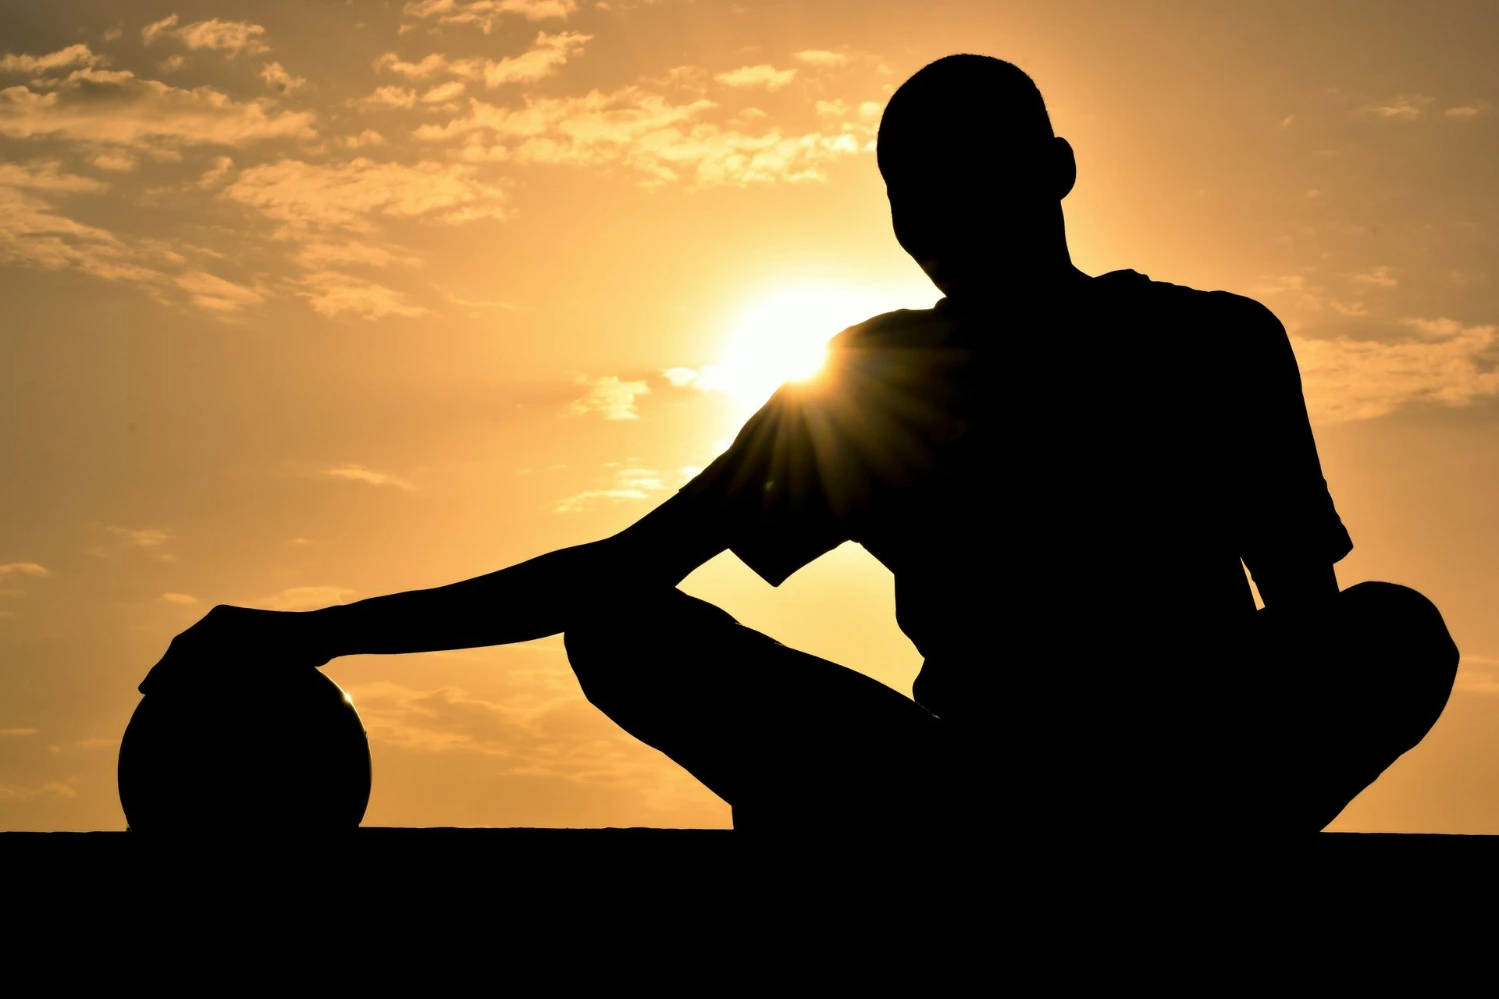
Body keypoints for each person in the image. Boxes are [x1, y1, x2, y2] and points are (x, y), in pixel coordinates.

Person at [142, 54, 1460, 841]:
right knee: (627, 623)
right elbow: (617, 569)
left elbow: (1307, 622)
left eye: (962, 175)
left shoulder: (1211, 342)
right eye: (911, 188)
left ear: (1053, 168)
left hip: (1171, 780)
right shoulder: (872, 383)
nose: (935, 212)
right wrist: (314, 632)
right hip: (957, 798)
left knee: (1394, 630)